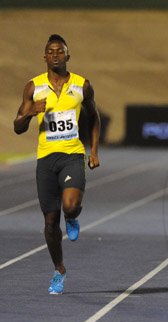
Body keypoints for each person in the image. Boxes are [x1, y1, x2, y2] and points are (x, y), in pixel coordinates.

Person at [13, 34, 101, 294]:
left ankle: (72, 216)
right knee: (50, 223)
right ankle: (59, 270)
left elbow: (93, 117)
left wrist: (94, 150)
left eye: (59, 51)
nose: (54, 55)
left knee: (70, 206)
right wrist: (28, 113)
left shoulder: (82, 85)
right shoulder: (33, 87)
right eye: (50, 51)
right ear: (44, 57)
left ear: (67, 56)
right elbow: (17, 127)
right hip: (46, 160)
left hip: (72, 155)